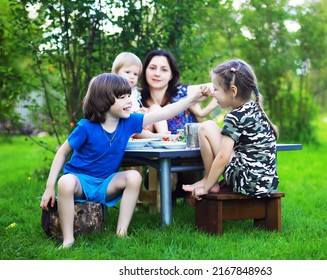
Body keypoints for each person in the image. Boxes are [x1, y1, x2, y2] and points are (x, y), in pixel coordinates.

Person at [40, 73, 210, 248]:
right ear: (103, 100)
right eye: (122, 97)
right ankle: (68, 239)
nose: (129, 101)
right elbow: (62, 153)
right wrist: (49, 187)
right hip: (80, 182)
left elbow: (164, 113)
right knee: (65, 182)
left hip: (106, 183)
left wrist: (192, 100)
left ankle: (121, 232)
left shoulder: (128, 122)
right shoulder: (86, 127)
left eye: (129, 95)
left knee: (134, 177)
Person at [182, 59, 279, 201]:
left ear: (233, 91)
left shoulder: (235, 116)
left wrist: (206, 189)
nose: (213, 94)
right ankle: (210, 180)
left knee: (206, 127)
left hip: (247, 183)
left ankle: (209, 181)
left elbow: (223, 157)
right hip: (267, 184)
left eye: (216, 89)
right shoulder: (255, 109)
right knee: (210, 128)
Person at [139, 49, 219, 200]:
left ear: (171, 75)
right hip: (156, 162)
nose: (157, 73)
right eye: (152, 68)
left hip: (190, 161)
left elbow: (221, 85)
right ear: (145, 71)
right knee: (162, 176)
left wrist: (204, 108)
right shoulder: (137, 98)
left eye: (164, 70)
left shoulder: (183, 92)